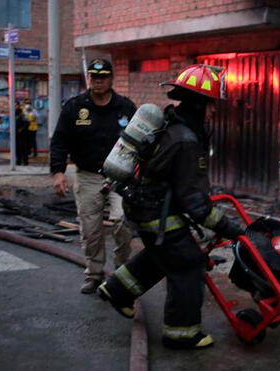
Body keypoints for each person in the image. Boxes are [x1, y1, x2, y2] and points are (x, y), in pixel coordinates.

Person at [97, 64, 245, 350]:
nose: (214, 111)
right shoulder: (187, 140)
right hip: (157, 213)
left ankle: (117, 291)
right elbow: (195, 202)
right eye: (212, 105)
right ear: (201, 104)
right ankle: (182, 333)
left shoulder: (171, 125)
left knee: (163, 254)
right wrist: (230, 228)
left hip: (142, 206)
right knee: (189, 263)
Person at [50, 58, 137, 294]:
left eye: (102, 77)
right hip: (88, 176)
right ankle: (94, 273)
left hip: (120, 177)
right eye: (93, 77)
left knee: (123, 221)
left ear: (111, 79)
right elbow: (59, 142)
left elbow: (141, 141)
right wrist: (58, 172)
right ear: (88, 78)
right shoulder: (75, 107)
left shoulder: (126, 107)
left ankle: (121, 268)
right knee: (90, 228)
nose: (97, 81)